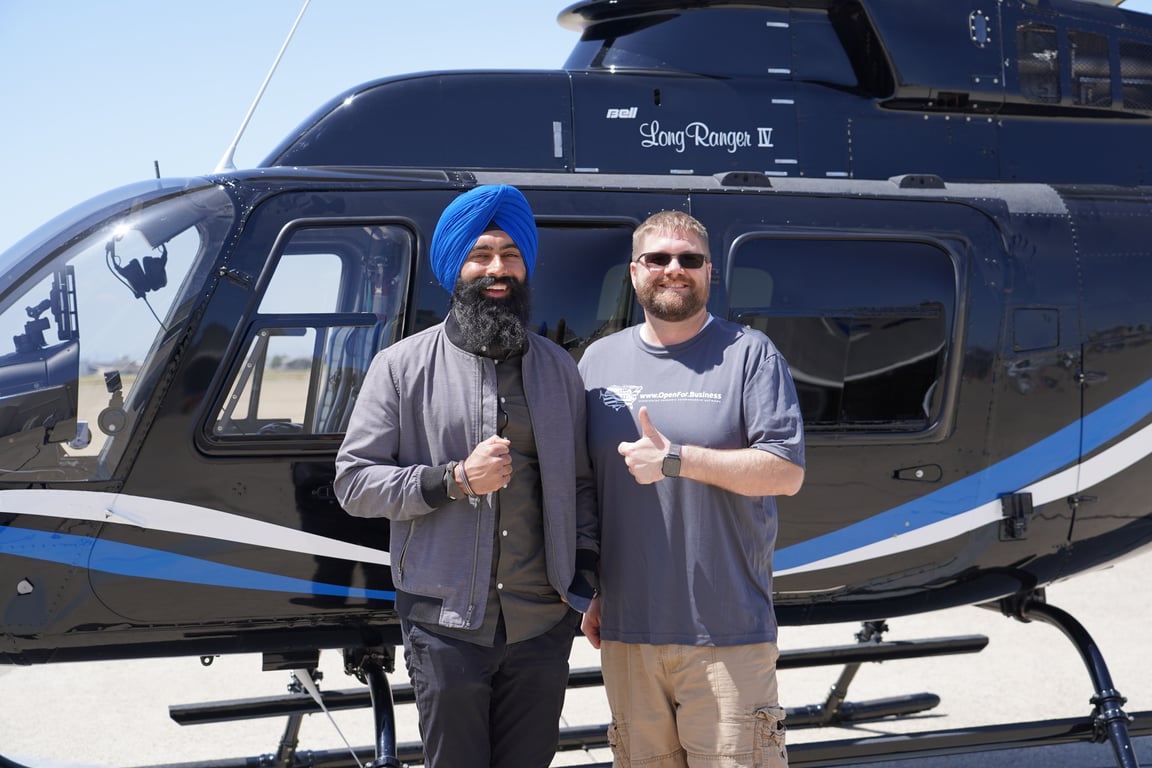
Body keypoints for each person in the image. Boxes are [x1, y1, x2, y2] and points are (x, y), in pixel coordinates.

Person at [334, 184, 598, 768]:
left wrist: (583, 576)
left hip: (541, 624)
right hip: (445, 624)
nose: (496, 269)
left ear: (526, 265)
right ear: (455, 266)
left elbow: (581, 486)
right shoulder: (400, 367)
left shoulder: (559, 368)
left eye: (510, 254)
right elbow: (354, 483)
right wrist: (453, 480)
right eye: (480, 255)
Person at [578, 210, 805, 768]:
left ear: (710, 273)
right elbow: (585, 487)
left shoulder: (750, 355)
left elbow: (785, 471)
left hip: (727, 635)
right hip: (628, 637)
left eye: (689, 259)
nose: (673, 269)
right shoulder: (597, 362)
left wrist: (676, 459)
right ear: (635, 273)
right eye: (658, 258)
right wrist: (589, 587)